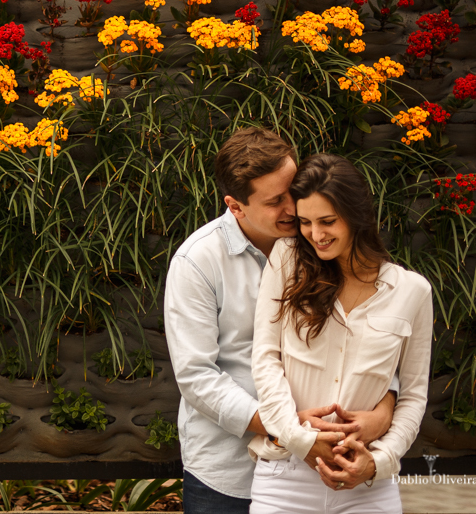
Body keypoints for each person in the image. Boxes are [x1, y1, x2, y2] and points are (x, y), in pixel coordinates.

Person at [165, 128, 397, 513]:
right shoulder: (198, 262)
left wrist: (382, 411)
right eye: (275, 201)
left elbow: (374, 337)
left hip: (326, 471)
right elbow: (196, 376)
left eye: (293, 190)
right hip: (229, 473)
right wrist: (286, 427)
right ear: (236, 206)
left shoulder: (325, 242)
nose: (293, 207)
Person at [248, 153, 433, 514]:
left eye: (327, 221)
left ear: (356, 214)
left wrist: (379, 461)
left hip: (367, 486)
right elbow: (266, 360)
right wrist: (300, 439)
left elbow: (413, 395)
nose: (315, 235)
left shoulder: (413, 291)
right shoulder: (286, 261)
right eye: (305, 222)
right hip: (286, 477)